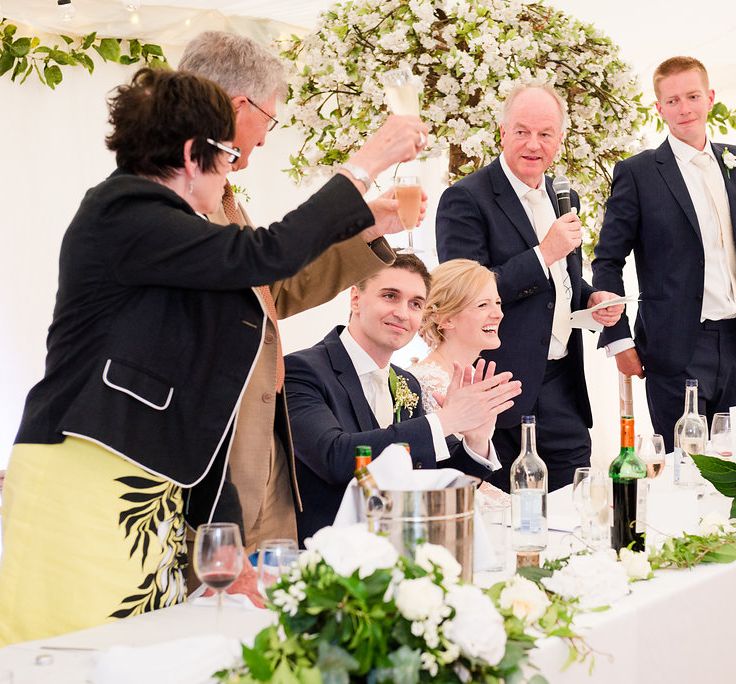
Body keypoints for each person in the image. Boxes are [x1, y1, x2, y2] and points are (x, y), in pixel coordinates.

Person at [0, 67, 427, 645]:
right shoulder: (122, 209)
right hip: (89, 469)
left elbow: (213, 391)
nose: (235, 170)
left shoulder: (179, 238)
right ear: (190, 152)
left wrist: (221, 533)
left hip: (156, 483)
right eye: (228, 156)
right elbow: (266, 252)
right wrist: (364, 164)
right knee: (79, 652)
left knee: (144, 652)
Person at [178, 31, 424, 550]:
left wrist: (367, 232)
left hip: (257, 448)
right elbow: (267, 260)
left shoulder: (224, 197)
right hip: (207, 447)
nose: (264, 141)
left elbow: (274, 291)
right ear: (235, 104)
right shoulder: (178, 199)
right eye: (267, 120)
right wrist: (362, 169)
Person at [436, 84, 623, 491]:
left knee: (578, 505)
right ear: (502, 132)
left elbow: (562, 280)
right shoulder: (465, 198)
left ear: (559, 139)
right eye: (522, 131)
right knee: (511, 520)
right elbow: (462, 294)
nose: (533, 144)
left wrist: (590, 296)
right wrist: (544, 253)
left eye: (545, 133)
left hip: (563, 385)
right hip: (498, 388)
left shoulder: (563, 194)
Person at [284, 253, 522, 541]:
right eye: (390, 296)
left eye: (415, 304)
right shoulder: (301, 370)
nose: (403, 313)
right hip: (328, 555)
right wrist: (444, 421)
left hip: (402, 550)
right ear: (355, 299)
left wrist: (476, 440)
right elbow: (335, 456)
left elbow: (436, 476)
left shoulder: (407, 382)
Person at [592, 56, 736, 450]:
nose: (684, 109)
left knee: (734, 466)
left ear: (710, 97)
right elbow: (607, 261)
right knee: (684, 469)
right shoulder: (638, 173)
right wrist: (619, 341)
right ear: (659, 108)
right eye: (673, 100)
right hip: (675, 347)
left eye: (693, 96)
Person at [410, 259, 503, 415]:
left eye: (498, 302)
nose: (498, 314)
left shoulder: (472, 374)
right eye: (482, 305)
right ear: (445, 319)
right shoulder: (425, 383)